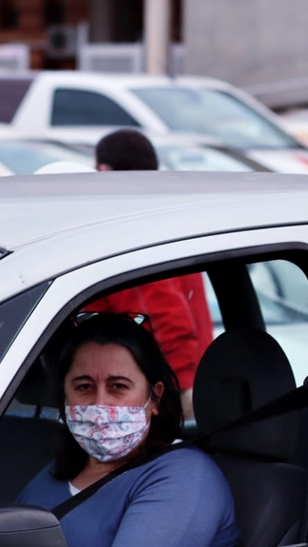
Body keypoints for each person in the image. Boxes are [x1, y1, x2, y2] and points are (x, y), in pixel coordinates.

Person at [12, 313, 239, 547]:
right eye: (84, 386)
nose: (100, 403)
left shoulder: (184, 475)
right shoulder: (56, 471)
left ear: (155, 398)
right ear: (65, 397)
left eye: (118, 386)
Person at [89, 129, 214, 419]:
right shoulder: (160, 221)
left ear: (104, 170)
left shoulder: (131, 234)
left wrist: (171, 398)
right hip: (180, 384)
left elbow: (168, 322)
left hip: (165, 397)